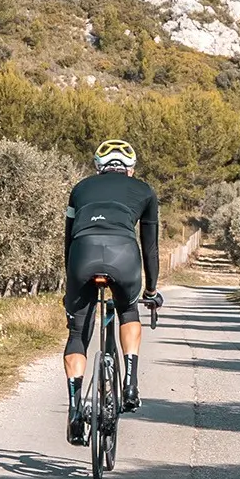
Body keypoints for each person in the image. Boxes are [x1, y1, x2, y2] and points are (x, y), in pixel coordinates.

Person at [63, 138, 164, 445]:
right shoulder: (145, 191)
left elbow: (68, 240)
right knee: (128, 310)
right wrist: (151, 290)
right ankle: (130, 385)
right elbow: (150, 247)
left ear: (99, 167)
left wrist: (71, 284)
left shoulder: (80, 188)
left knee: (77, 332)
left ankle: (74, 410)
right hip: (123, 254)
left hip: (82, 253)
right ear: (130, 169)